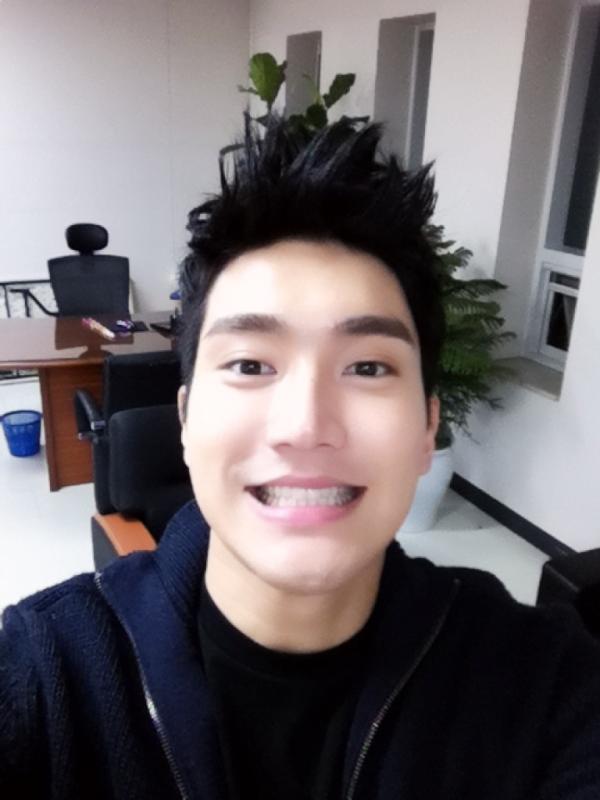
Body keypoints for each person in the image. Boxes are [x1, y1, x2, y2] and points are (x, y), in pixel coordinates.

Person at [1, 117, 599, 800]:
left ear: (427, 426)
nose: (306, 426)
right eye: (250, 364)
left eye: (368, 367)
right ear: (186, 418)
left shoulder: (542, 686)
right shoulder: (43, 676)